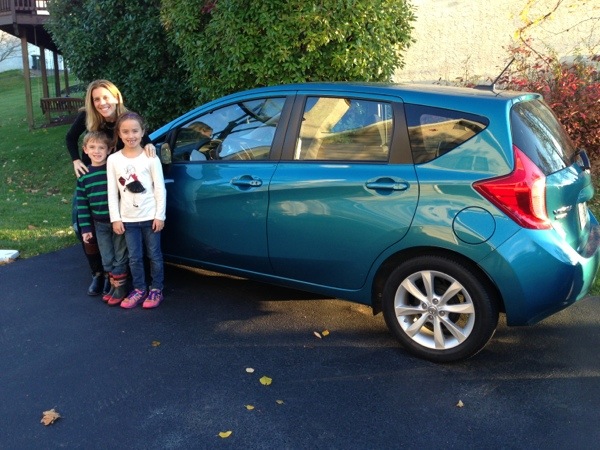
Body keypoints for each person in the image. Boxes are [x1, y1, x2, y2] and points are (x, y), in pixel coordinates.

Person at [65, 79, 155, 296]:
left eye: (105, 97)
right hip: (92, 176)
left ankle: (120, 275)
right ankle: (98, 274)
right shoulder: (88, 117)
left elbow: (141, 136)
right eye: (96, 99)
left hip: (117, 179)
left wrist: (150, 143)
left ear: (115, 97)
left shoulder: (126, 118)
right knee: (84, 224)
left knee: (117, 228)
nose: (101, 103)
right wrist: (76, 160)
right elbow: (70, 137)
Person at [107, 112, 166, 309]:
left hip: (151, 217)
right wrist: (116, 218)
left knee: (154, 255)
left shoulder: (151, 158)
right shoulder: (113, 160)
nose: (130, 135)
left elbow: (159, 188)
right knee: (134, 257)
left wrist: (160, 215)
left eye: (135, 131)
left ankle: (156, 288)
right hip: (128, 219)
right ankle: (139, 288)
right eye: (125, 131)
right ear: (119, 134)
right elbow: (112, 192)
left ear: (142, 132)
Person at [75, 131, 129, 305]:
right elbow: (82, 204)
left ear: (109, 150)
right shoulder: (84, 175)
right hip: (99, 224)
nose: (96, 151)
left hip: (118, 221)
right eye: (92, 147)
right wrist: (85, 228)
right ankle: (111, 281)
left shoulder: (113, 170)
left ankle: (120, 286)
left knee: (120, 254)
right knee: (107, 256)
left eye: (101, 147)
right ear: (85, 149)